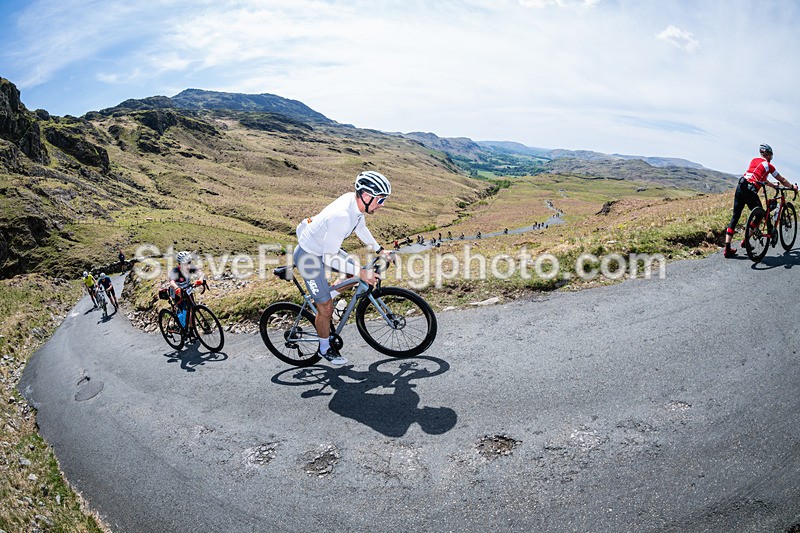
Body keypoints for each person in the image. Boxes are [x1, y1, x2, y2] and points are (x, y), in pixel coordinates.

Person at [294, 171, 392, 365]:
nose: (382, 205)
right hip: (309, 257)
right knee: (326, 308)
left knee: (351, 270)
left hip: (323, 249)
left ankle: (327, 296)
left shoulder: (354, 204)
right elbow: (330, 257)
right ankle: (324, 347)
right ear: (366, 196)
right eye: (380, 200)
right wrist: (362, 273)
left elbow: (361, 228)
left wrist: (380, 250)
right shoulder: (342, 216)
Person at [724, 144, 798, 258]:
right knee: (759, 215)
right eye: (770, 156)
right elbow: (782, 179)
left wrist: (773, 186)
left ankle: (727, 248)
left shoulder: (754, 160)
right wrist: (792, 187)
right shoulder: (768, 166)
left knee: (735, 217)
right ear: (768, 155)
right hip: (750, 190)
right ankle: (746, 240)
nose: (770, 158)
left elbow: (760, 177)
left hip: (740, 186)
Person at [169, 251, 204, 327]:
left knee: (192, 309)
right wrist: (176, 288)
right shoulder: (175, 271)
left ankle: (191, 331)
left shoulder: (190, 267)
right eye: (185, 264)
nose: (188, 265)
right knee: (183, 312)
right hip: (177, 292)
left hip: (187, 290)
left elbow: (200, 272)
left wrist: (200, 280)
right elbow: (171, 282)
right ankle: (180, 326)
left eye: (189, 262)